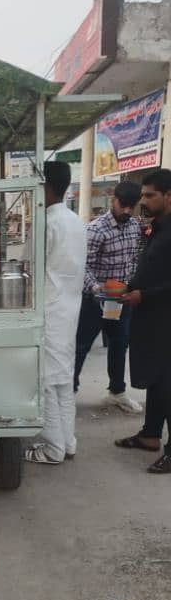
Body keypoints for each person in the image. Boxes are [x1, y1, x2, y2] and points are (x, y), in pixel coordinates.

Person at [25, 161, 87, 464]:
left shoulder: (46, 222)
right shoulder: (76, 221)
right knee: (63, 380)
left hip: (49, 310)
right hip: (69, 308)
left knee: (47, 381)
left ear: (45, 185)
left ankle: (52, 449)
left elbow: (30, 268)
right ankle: (68, 442)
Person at [115, 169, 171, 473]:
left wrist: (144, 296)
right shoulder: (157, 228)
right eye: (143, 195)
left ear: (168, 196)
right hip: (150, 318)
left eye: (150, 195)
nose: (144, 200)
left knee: (168, 383)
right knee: (155, 379)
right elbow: (150, 266)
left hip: (165, 318)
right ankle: (151, 434)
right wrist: (128, 287)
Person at [74, 182, 143, 412]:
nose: (126, 211)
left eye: (131, 207)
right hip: (94, 301)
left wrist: (130, 285)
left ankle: (117, 392)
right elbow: (83, 267)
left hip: (120, 300)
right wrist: (96, 288)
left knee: (119, 343)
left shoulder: (134, 227)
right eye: (123, 205)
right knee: (81, 346)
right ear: (114, 200)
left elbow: (132, 259)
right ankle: (69, 393)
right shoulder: (96, 230)